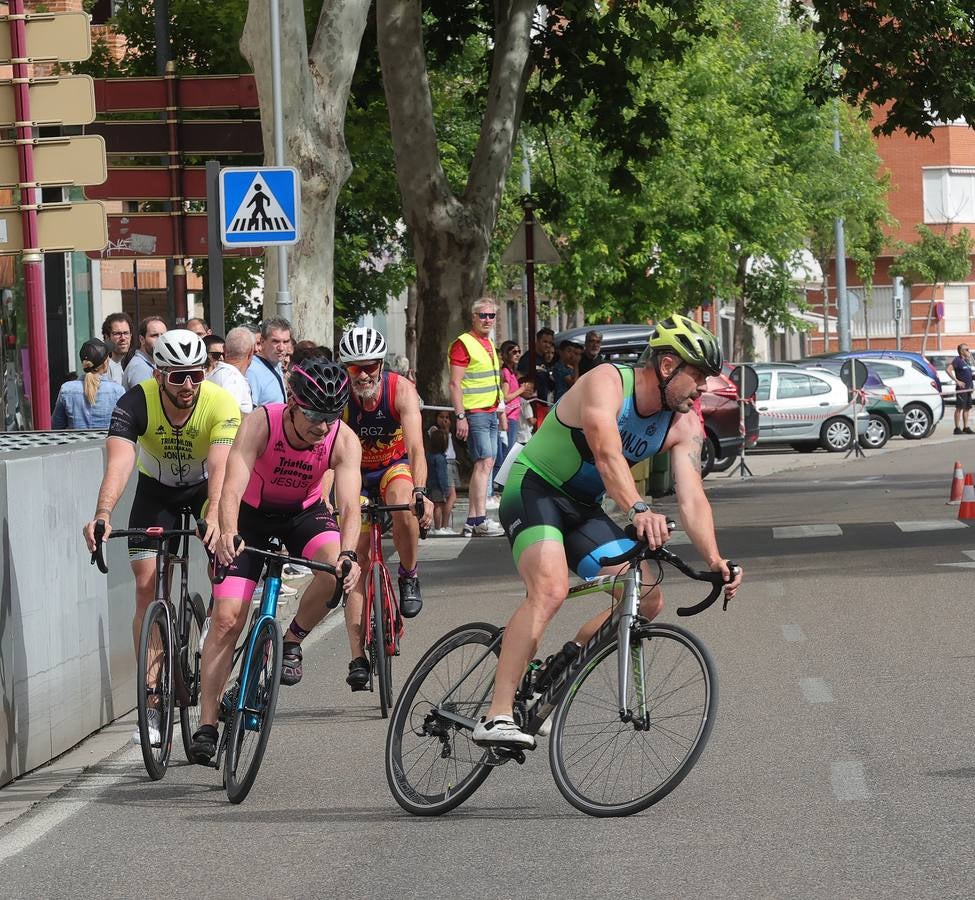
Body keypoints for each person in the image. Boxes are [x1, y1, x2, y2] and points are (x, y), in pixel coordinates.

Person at [473, 315, 743, 749]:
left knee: (648, 594)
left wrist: (715, 559)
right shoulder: (607, 382)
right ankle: (496, 713)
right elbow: (606, 453)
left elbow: (692, 497)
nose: (703, 389)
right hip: (535, 487)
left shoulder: (684, 424)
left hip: (581, 508)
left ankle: (559, 672)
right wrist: (638, 508)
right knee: (550, 588)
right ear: (669, 365)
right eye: (699, 376)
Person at [187, 358, 363, 764]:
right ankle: (208, 725)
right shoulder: (261, 423)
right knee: (228, 619)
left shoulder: (342, 439)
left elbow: (350, 506)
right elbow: (230, 489)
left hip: (303, 514)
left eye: (331, 416)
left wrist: (349, 556)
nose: (323, 426)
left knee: (335, 570)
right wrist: (229, 531)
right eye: (315, 416)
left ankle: (293, 639)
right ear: (295, 405)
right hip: (250, 514)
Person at [81, 329, 240, 747]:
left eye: (196, 374)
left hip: (207, 488)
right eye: (177, 377)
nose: (188, 385)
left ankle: (211, 630)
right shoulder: (135, 402)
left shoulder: (220, 403)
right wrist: (102, 513)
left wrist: (218, 520)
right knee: (146, 588)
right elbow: (119, 462)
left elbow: (222, 469)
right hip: (156, 491)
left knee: (222, 556)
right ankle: (152, 701)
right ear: (158, 374)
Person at [338, 325, 434, 690]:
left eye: (370, 366)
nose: (363, 374)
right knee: (355, 559)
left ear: (382, 364)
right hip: (355, 472)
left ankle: (409, 574)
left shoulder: (400, 389)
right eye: (355, 367)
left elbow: (416, 448)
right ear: (345, 368)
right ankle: (357, 657)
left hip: (393, 466)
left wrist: (421, 492)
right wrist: (331, 506)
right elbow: (331, 457)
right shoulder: (341, 397)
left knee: (404, 502)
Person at [448, 298, 506, 537]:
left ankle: (473, 520)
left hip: (490, 411)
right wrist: (460, 415)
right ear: (473, 317)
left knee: (486, 464)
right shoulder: (464, 344)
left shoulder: (488, 343)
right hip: (475, 412)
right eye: (483, 315)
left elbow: (493, 380)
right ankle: (480, 519)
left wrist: (500, 411)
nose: (487, 320)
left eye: (491, 316)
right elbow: (454, 383)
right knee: (484, 463)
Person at [52, 338, 125, 430]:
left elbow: (56, 427)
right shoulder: (118, 391)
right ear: (106, 363)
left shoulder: (66, 390)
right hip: (106, 444)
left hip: (75, 444)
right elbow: (122, 427)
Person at [493, 340, 526, 500]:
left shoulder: (512, 372)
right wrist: (521, 390)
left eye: (519, 351)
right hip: (509, 416)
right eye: (514, 352)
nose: (517, 354)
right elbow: (505, 397)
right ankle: (501, 484)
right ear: (506, 355)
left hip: (514, 416)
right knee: (508, 452)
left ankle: (501, 483)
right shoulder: (506, 372)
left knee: (509, 450)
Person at [206, 326, 255, 416]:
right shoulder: (233, 380)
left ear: (224, 349)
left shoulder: (213, 375)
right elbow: (228, 418)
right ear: (251, 352)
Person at [246, 316, 292, 406]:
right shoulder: (252, 371)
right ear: (262, 341)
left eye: (286, 342)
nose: (281, 348)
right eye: (275, 341)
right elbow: (249, 414)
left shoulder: (276, 363)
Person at [429, 410, 459, 532]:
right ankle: (443, 526)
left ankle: (443, 526)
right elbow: (440, 441)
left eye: (447, 417)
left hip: (452, 463)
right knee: (450, 497)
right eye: (441, 417)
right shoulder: (434, 430)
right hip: (446, 465)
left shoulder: (449, 432)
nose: (445, 420)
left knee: (447, 499)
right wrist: (445, 429)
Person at [122, 316, 168, 389]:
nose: (160, 340)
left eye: (163, 336)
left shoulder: (149, 363)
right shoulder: (140, 368)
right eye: (154, 335)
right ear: (142, 339)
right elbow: (143, 399)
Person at [426, 426, 451, 534]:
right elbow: (442, 475)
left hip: (430, 484)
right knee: (438, 506)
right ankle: (438, 528)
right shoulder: (440, 458)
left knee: (433, 505)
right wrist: (445, 488)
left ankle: (433, 527)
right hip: (437, 486)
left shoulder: (429, 455)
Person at [948, 343, 974, 434]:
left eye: (968, 349)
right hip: (961, 389)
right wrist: (957, 381)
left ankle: (966, 427)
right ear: (961, 351)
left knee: (967, 408)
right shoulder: (957, 360)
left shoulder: (967, 361)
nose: (968, 351)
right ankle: (957, 428)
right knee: (959, 407)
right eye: (966, 350)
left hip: (969, 388)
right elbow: (948, 370)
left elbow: (969, 375)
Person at [101, 313, 134, 384]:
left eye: (126, 333)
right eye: (117, 334)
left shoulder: (131, 364)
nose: (123, 338)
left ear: (131, 335)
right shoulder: (103, 369)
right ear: (107, 337)